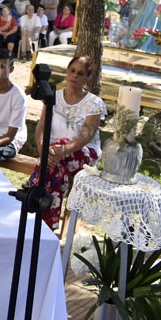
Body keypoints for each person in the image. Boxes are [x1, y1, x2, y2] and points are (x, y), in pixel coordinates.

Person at [28, 55, 106, 230]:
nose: (74, 76)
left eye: (80, 73)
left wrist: (62, 149)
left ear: (88, 77)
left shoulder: (94, 103)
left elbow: (86, 136)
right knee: (56, 170)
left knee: (57, 152)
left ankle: (31, 196)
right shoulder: (52, 96)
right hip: (54, 155)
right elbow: (41, 127)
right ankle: (49, 226)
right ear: (66, 72)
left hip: (84, 156)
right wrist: (42, 149)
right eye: (72, 71)